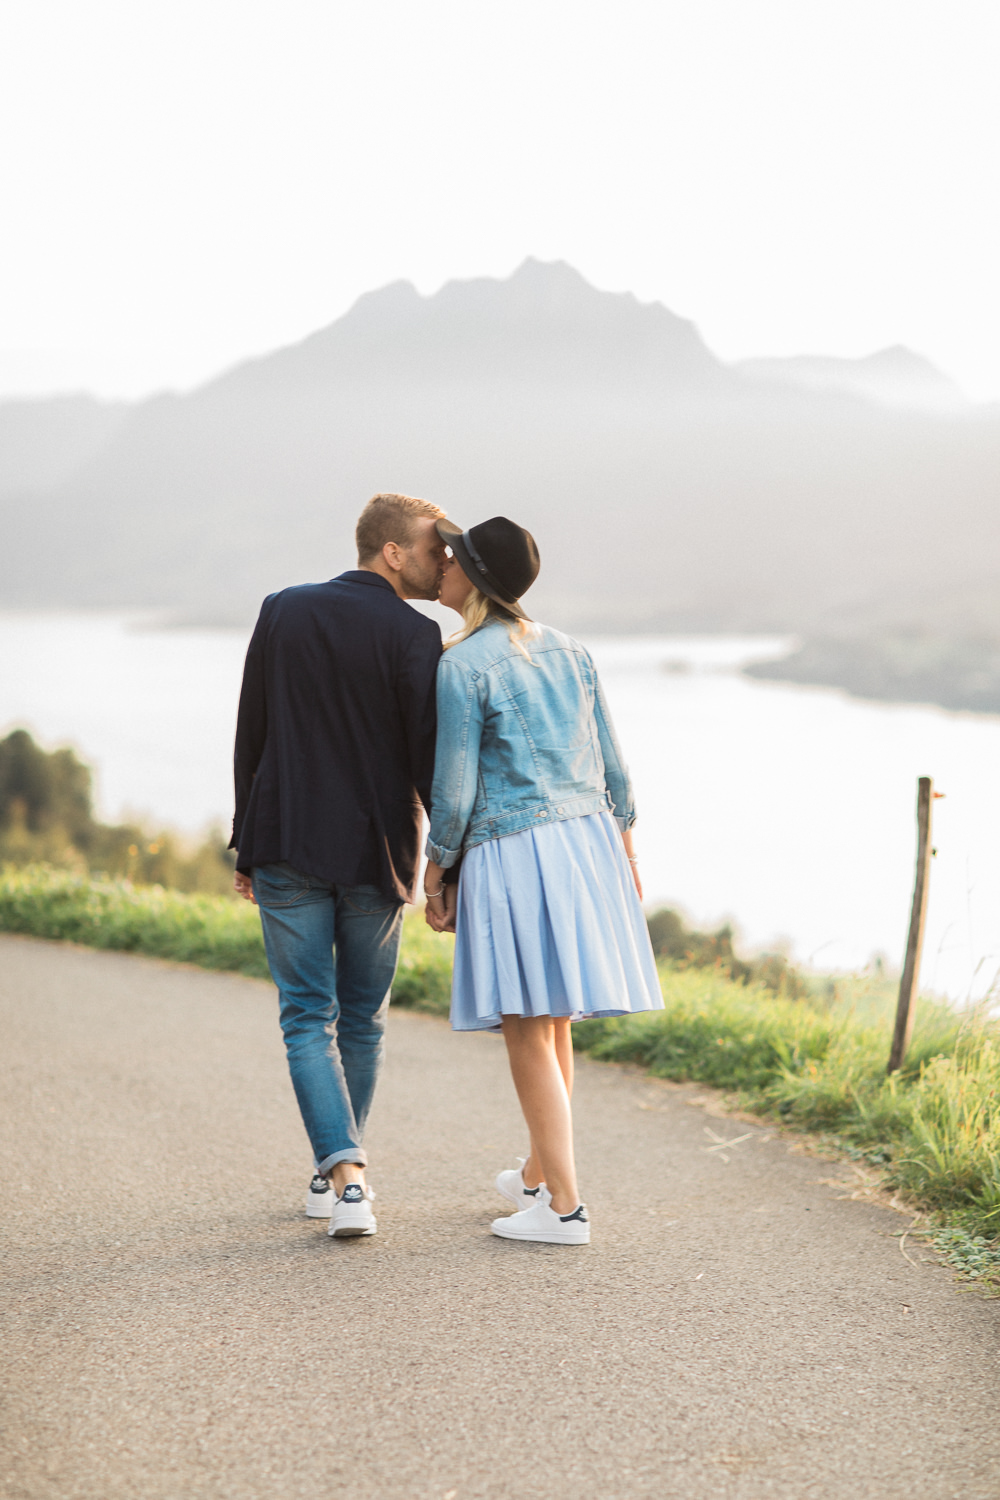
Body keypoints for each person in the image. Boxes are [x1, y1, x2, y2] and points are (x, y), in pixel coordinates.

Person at [423, 516, 663, 1245]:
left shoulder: (462, 665)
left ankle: (565, 1208)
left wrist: (435, 874)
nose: (442, 565)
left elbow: (456, 792)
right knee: (553, 1018)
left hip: (515, 845)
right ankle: (537, 1175)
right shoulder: (572, 650)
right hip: (588, 840)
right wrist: (624, 856)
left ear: (475, 578)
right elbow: (617, 772)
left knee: (527, 1026)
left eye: (452, 558)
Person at [230, 492, 448, 1238]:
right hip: (377, 851)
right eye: (431, 547)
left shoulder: (282, 610)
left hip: (285, 838)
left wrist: (244, 837)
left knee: (304, 1017)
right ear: (391, 551)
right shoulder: (418, 636)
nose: (440, 560)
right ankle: (346, 1175)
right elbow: (428, 763)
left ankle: (340, 1173)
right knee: (362, 1019)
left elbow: (250, 734)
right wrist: (444, 860)